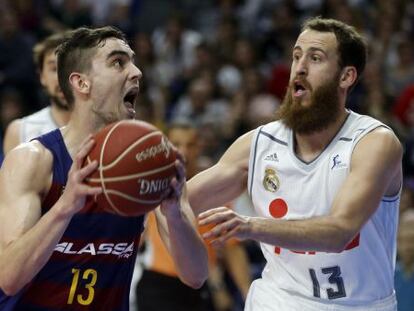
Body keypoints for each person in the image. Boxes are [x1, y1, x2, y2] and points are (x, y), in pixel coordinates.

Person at [188, 17, 402, 311]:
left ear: (346, 77)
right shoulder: (257, 144)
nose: (300, 67)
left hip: (359, 304)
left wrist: (251, 226)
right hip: (277, 300)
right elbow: (180, 201)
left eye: (315, 58)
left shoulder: (373, 143)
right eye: (296, 56)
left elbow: (339, 231)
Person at [0, 26, 208, 310]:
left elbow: (196, 275)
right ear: (82, 83)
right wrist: (65, 207)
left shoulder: (150, 164)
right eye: (118, 62)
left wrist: (174, 214)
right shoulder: (34, 159)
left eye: (133, 61)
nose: (136, 72)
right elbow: (9, 277)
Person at [135, 121, 251, 311]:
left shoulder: (216, 191)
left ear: (199, 147)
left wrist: (246, 292)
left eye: (190, 145)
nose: (183, 151)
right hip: (158, 284)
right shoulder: (151, 187)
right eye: (176, 144)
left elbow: (232, 248)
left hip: (200, 286)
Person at [3, 31, 72, 154]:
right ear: (42, 77)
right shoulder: (20, 130)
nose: (62, 76)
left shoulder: (106, 125)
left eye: (70, 66)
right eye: (54, 69)